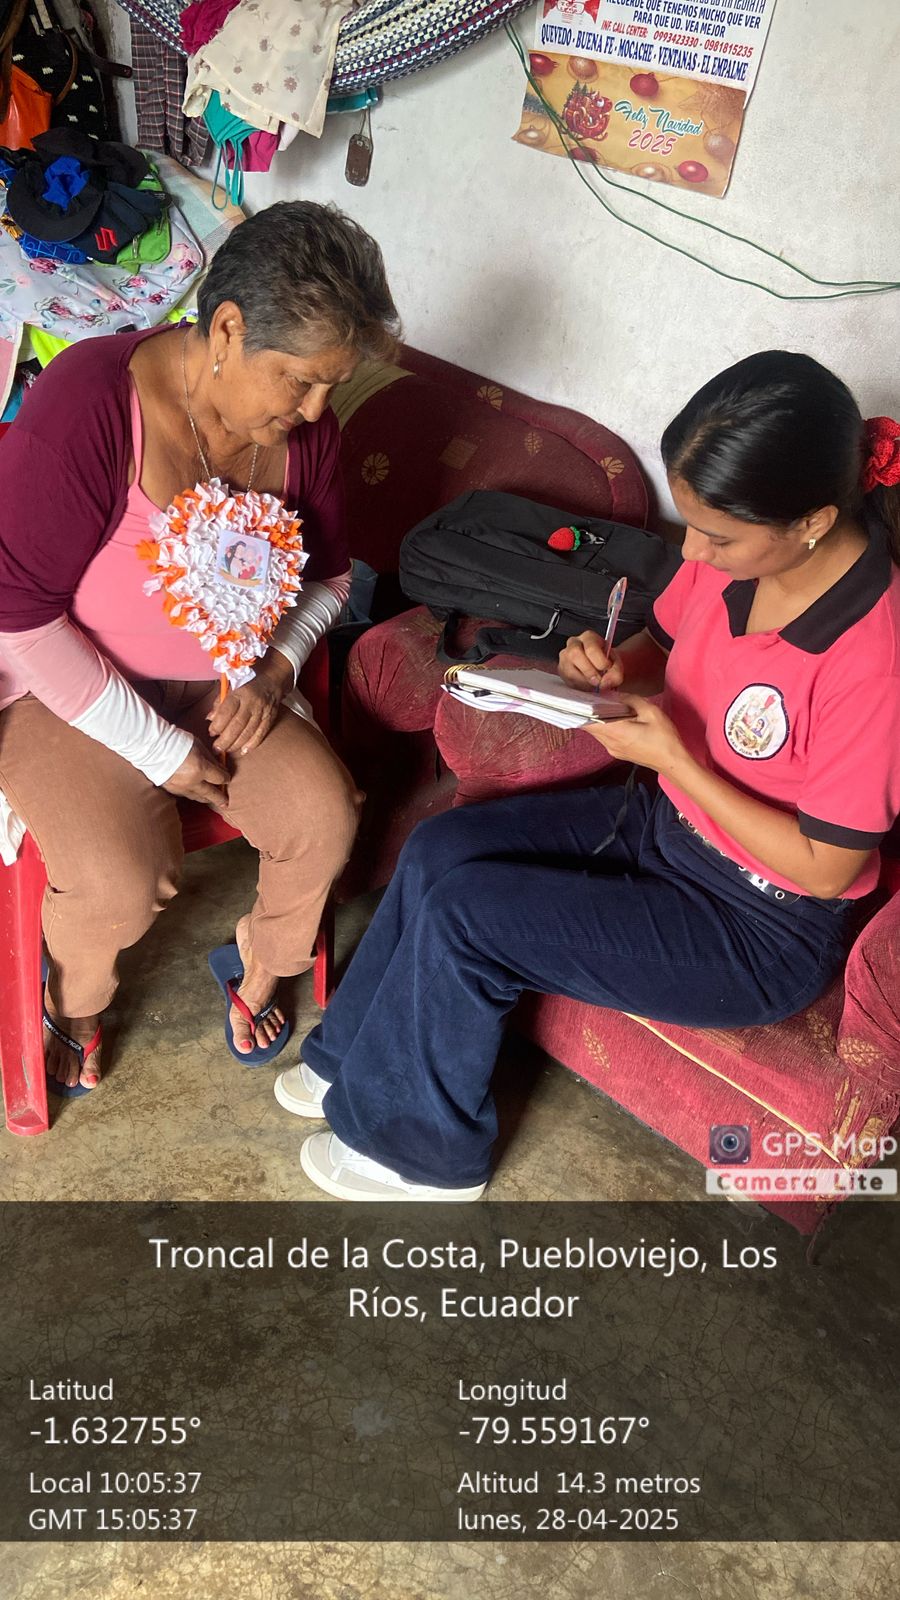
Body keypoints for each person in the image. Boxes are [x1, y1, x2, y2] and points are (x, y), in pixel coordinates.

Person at [272, 351, 900, 1202]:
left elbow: (826, 867)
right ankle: (350, 1057)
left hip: (760, 923)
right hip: (669, 830)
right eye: (692, 524)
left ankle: (426, 1158)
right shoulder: (732, 560)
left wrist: (676, 761)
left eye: (718, 536)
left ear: (815, 521)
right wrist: (605, 667)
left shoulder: (874, 657)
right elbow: (663, 645)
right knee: (441, 849)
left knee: (470, 916)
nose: (695, 550)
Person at [0, 201, 400, 1094]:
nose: (316, 410)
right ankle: (75, 999)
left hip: (227, 688)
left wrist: (275, 668)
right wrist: (157, 751)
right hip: (68, 690)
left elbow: (332, 578)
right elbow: (20, 617)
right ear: (226, 329)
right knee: (116, 880)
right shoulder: (92, 400)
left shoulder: (308, 434)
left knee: (324, 818)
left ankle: (258, 964)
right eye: (301, 381)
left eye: (332, 386)